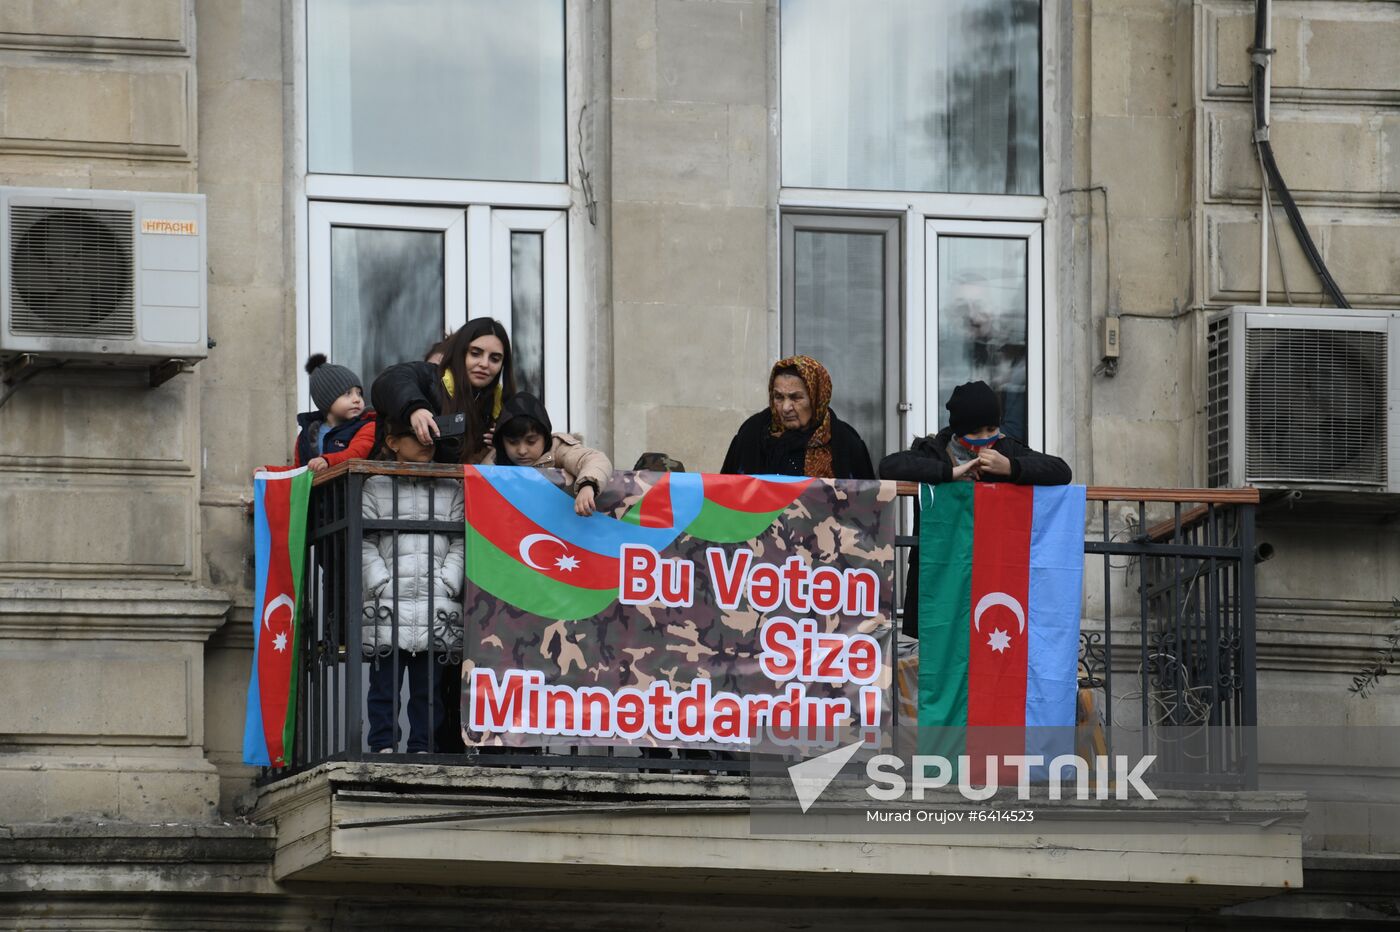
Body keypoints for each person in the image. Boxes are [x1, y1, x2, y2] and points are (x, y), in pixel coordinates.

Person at [879, 379, 1071, 636]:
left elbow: (1061, 470)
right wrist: (949, 473)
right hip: (939, 573)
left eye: (991, 429)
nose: (985, 439)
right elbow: (889, 467)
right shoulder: (934, 450)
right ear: (958, 430)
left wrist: (1011, 467)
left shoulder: (1007, 448)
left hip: (993, 574)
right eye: (975, 432)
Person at [360, 414, 465, 753]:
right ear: (392, 443)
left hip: (437, 603)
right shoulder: (375, 485)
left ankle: (422, 745)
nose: (427, 441)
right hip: (389, 602)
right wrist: (380, 582)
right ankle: (382, 745)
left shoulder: (451, 485)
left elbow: (461, 542)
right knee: (384, 686)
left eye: (431, 434)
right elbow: (364, 541)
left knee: (428, 689)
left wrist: (448, 581)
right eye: (417, 435)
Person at [371, 318, 517, 465]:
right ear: (460, 353)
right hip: (389, 483)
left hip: (453, 486)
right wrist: (415, 409)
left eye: (495, 359)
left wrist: (501, 446)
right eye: (475, 353)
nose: (484, 364)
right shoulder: (432, 377)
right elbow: (389, 380)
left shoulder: (502, 404)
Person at [719, 355, 875, 480]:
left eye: (796, 398)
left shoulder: (844, 442)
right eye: (779, 397)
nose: (786, 407)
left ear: (816, 399)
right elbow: (725, 495)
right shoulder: (752, 434)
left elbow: (865, 506)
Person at [493, 393, 612, 517]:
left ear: (545, 437)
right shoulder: (495, 459)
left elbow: (596, 459)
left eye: (531, 441)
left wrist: (587, 486)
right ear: (502, 442)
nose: (522, 451)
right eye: (512, 442)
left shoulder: (558, 449)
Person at [266, 354, 376, 473]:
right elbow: (299, 470)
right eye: (348, 393)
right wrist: (269, 472)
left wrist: (327, 461)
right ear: (326, 400)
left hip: (348, 491)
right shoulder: (307, 433)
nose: (357, 399)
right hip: (316, 492)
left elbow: (355, 454)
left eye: (359, 393)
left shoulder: (367, 426)